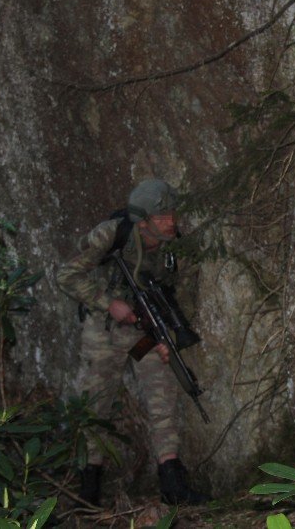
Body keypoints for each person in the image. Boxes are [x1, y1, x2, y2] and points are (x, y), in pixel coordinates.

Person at [57, 178, 209, 506]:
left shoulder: (175, 248)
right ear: (142, 221)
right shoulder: (111, 235)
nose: (171, 221)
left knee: (163, 397)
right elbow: (67, 275)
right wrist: (107, 302)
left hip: (145, 335)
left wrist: (167, 337)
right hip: (105, 331)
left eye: (173, 214)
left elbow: (178, 294)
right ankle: (88, 488)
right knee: (95, 402)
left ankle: (171, 479)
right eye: (163, 216)